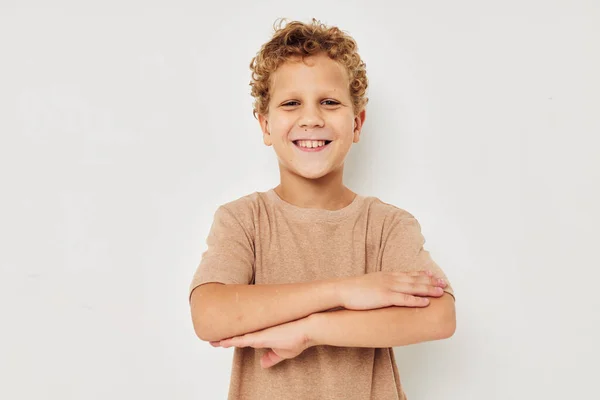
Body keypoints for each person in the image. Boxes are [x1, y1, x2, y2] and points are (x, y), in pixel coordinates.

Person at [188, 17, 456, 400]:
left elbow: (440, 316)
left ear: (357, 122)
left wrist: (310, 330)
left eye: (329, 102)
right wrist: (345, 292)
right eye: (291, 103)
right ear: (265, 125)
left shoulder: (386, 225)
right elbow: (210, 316)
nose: (311, 118)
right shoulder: (243, 219)